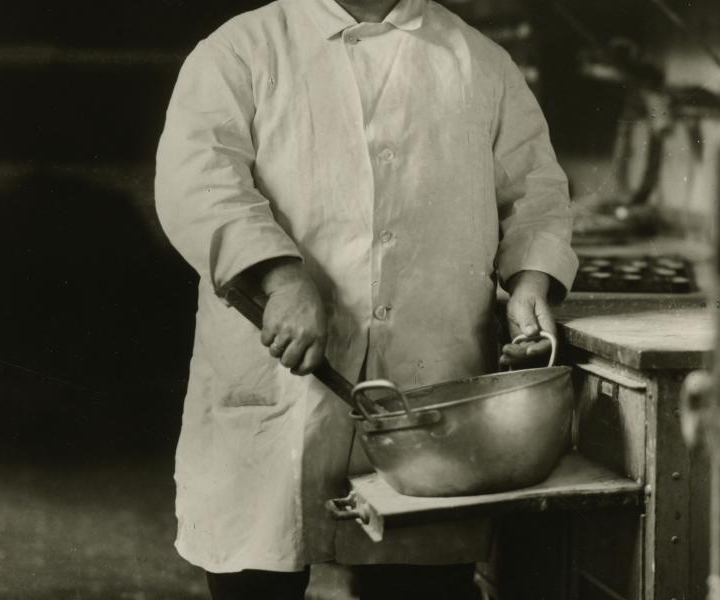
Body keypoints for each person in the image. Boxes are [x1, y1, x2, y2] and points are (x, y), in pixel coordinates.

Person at [154, 0, 578, 597]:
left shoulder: (479, 61)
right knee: (257, 568)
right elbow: (197, 180)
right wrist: (280, 278)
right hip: (281, 377)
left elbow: (535, 190)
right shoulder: (242, 48)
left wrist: (531, 280)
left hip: (427, 373)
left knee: (418, 579)